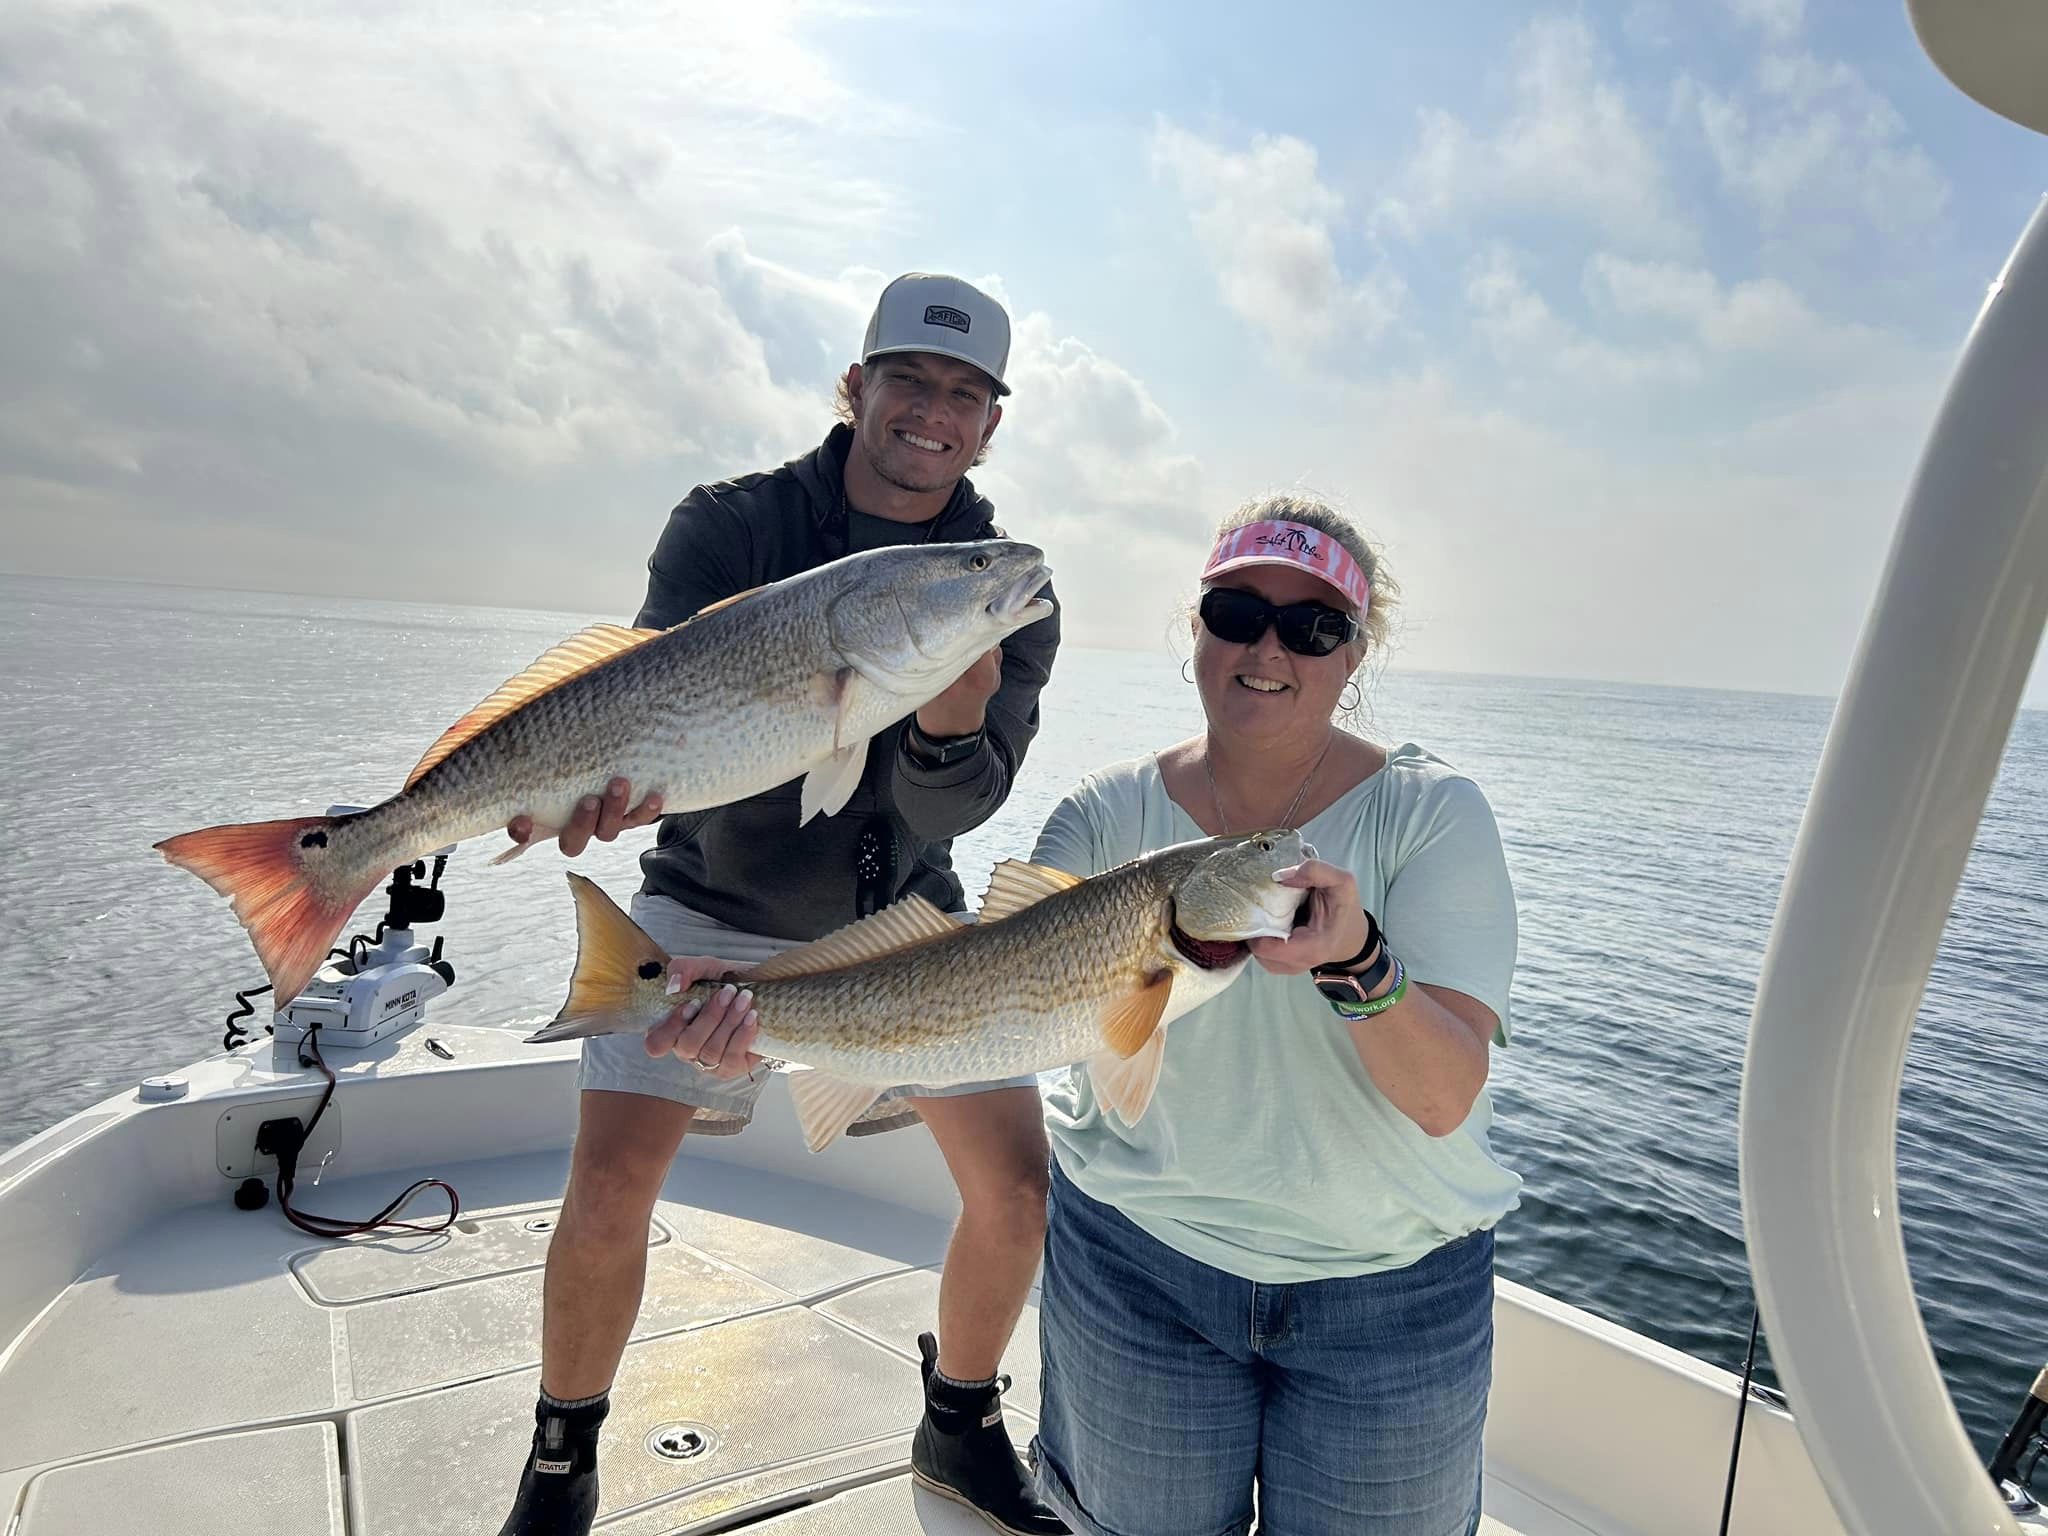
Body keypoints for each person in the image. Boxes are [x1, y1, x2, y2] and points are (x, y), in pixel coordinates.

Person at [496, 273, 1069, 1536]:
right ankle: (559, 1463)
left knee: (1020, 1189)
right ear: (854, 386)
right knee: (605, 1193)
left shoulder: (1000, 590)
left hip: (902, 919)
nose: (934, 412)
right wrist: (608, 793)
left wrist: (950, 719)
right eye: (909, 381)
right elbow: (637, 710)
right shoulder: (731, 525)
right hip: (706, 900)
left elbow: (950, 816)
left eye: (965, 396)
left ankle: (958, 1423)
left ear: (989, 425)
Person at [1023, 495, 1520, 1536]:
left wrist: (1356, 960)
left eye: (1311, 627)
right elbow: (993, 997)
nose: (1267, 647)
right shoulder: (1101, 815)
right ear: (1196, 627)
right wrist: (771, 1005)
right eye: (1237, 610)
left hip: (1389, 1295)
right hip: (1133, 1262)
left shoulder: (1429, 814)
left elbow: (1440, 1098)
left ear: (1353, 654)